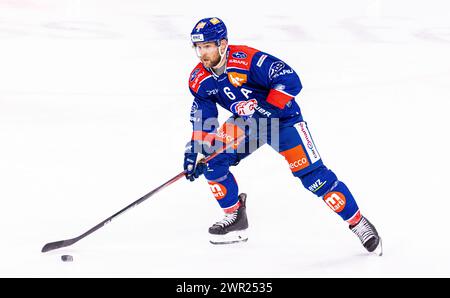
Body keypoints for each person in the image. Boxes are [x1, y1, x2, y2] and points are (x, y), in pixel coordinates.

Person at [183, 17, 382, 255]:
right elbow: (204, 116)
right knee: (212, 160)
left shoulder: (246, 59)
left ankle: (358, 223)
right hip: (246, 124)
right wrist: (196, 149)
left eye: (208, 46)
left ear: (223, 43)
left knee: (313, 177)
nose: (202, 53)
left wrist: (268, 109)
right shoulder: (199, 79)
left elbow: (290, 79)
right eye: (199, 47)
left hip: (283, 121)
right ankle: (235, 216)